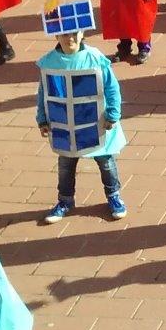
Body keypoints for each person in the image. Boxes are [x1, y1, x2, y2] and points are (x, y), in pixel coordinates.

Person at [37, 22, 128, 222]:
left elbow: (112, 88)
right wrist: (42, 118)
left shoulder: (95, 58)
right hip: (66, 125)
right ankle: (65, 200)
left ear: (82, 33)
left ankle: (114, 196)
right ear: (56, 37)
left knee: (106, 162)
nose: (69, 38)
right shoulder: (49, 62)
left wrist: (113, 113)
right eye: (64, 34)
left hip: (97, 122)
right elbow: (44, 92)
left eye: (74, 33)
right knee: (66, 164)